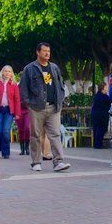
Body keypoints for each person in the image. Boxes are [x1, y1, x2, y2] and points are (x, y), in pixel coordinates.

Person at [19, 42, 70, 172]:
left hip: (53, 107)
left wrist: (60, 98)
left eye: (49, 51)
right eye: (44, 51)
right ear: (38, 52)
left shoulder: (54, 68)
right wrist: (28, 103)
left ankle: (58, 162)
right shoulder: (29, 69)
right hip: (36, 107)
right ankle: (36, 162)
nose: (47, 53)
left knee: (55, 134)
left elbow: (60, 85)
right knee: (35, 135)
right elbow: (23, 88)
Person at [0, 65, 20, 159]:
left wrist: (17, 113)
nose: (7, 73)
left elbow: (17, 99)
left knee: (6, 131)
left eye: (9, 71)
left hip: (9, 110)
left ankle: (6, 152)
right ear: (2, 72)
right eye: (5, 71)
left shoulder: (14, 84)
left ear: (11, 74)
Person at [89, 83, 111, 149]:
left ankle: (96, 144)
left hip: (94, 115)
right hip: (101, 116)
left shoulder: (96, 96)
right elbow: (110, 102)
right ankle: (98, 144)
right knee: (100, 130)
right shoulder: (104, 97)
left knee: (96, 130)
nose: (107, 89)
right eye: (106, 87)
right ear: (103, 88)